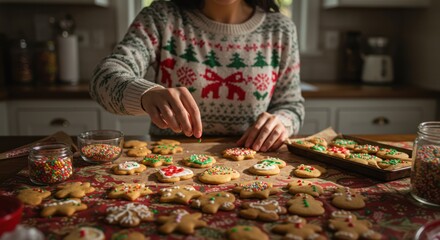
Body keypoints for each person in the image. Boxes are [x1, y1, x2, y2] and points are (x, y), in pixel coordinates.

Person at [90, 0, 304, 152]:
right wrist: (146, 94)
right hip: (168, 166)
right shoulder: (160, 17)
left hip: (250, 163)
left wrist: (282, 123)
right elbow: (103, 79)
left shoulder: (281, 30)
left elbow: (291, 105)